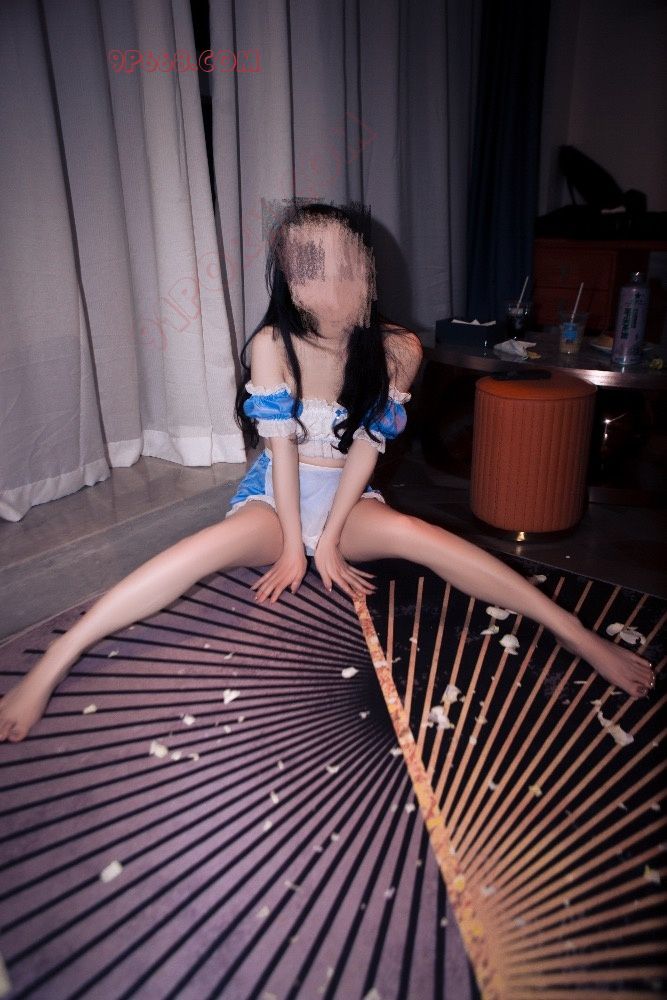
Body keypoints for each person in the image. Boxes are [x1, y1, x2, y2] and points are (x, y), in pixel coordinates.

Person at [0, 200, 655, 743]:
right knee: (194, 552)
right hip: (274, 496)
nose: (330, 286)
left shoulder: (399, 347)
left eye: (346, 266)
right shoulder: (271, 343)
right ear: (288, 282)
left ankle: (578, 636)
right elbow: (280, 452)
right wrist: (294, 543)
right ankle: (56, 658)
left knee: (425, 538)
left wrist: (334, 536)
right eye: (308, 271)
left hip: (348, 492)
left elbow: (368, 449)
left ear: (369, 270)